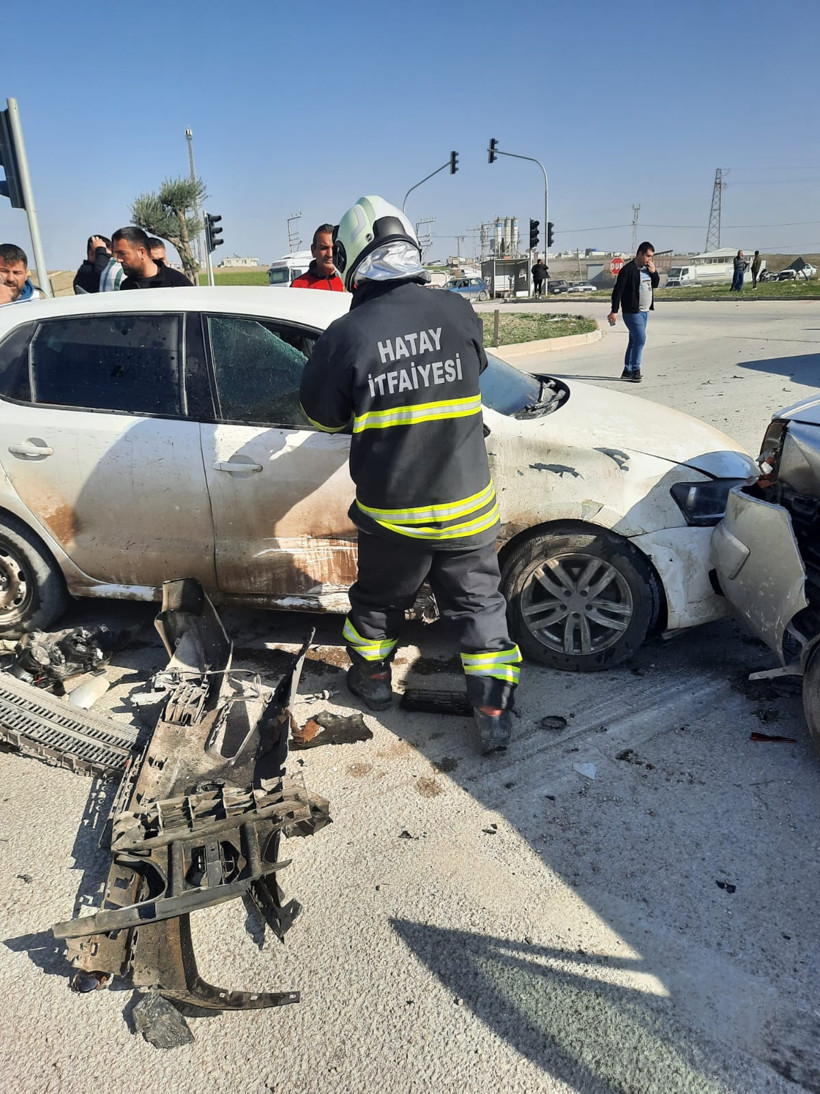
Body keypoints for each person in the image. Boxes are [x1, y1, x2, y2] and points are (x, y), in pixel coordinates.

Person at [299, 196, 521, 754]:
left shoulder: (346, 335)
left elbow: (320, 414)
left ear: (351, 257)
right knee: (480, 608)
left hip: (393, 513)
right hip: (468, 505)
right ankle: (493, 709)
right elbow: (475, 370)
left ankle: (372, 683)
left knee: (378, 602)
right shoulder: (457, 310)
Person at [607, 241, 659, 382]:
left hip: (644, 311)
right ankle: (636, 369)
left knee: (634, 340)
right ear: (640, 254)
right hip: (632, 312)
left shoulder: (648, 269)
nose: (650, 259)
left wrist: (654, 273)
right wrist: (614, 310)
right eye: (648, 256)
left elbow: (656, 284)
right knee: (641, 339)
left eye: (651, 257)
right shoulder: (628, 270)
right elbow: (617, 291)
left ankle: (627, 370)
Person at [111, 227, 191, 289]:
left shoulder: (177, 282)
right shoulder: (127, 286)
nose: (118, 259)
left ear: (141, 252)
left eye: (122, 253)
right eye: (117, 253)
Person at [291, 224, 345, 290]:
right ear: (313, 250)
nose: (330, 254)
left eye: (334, 248)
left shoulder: (349, 282)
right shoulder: (297, 286)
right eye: (324, 248)